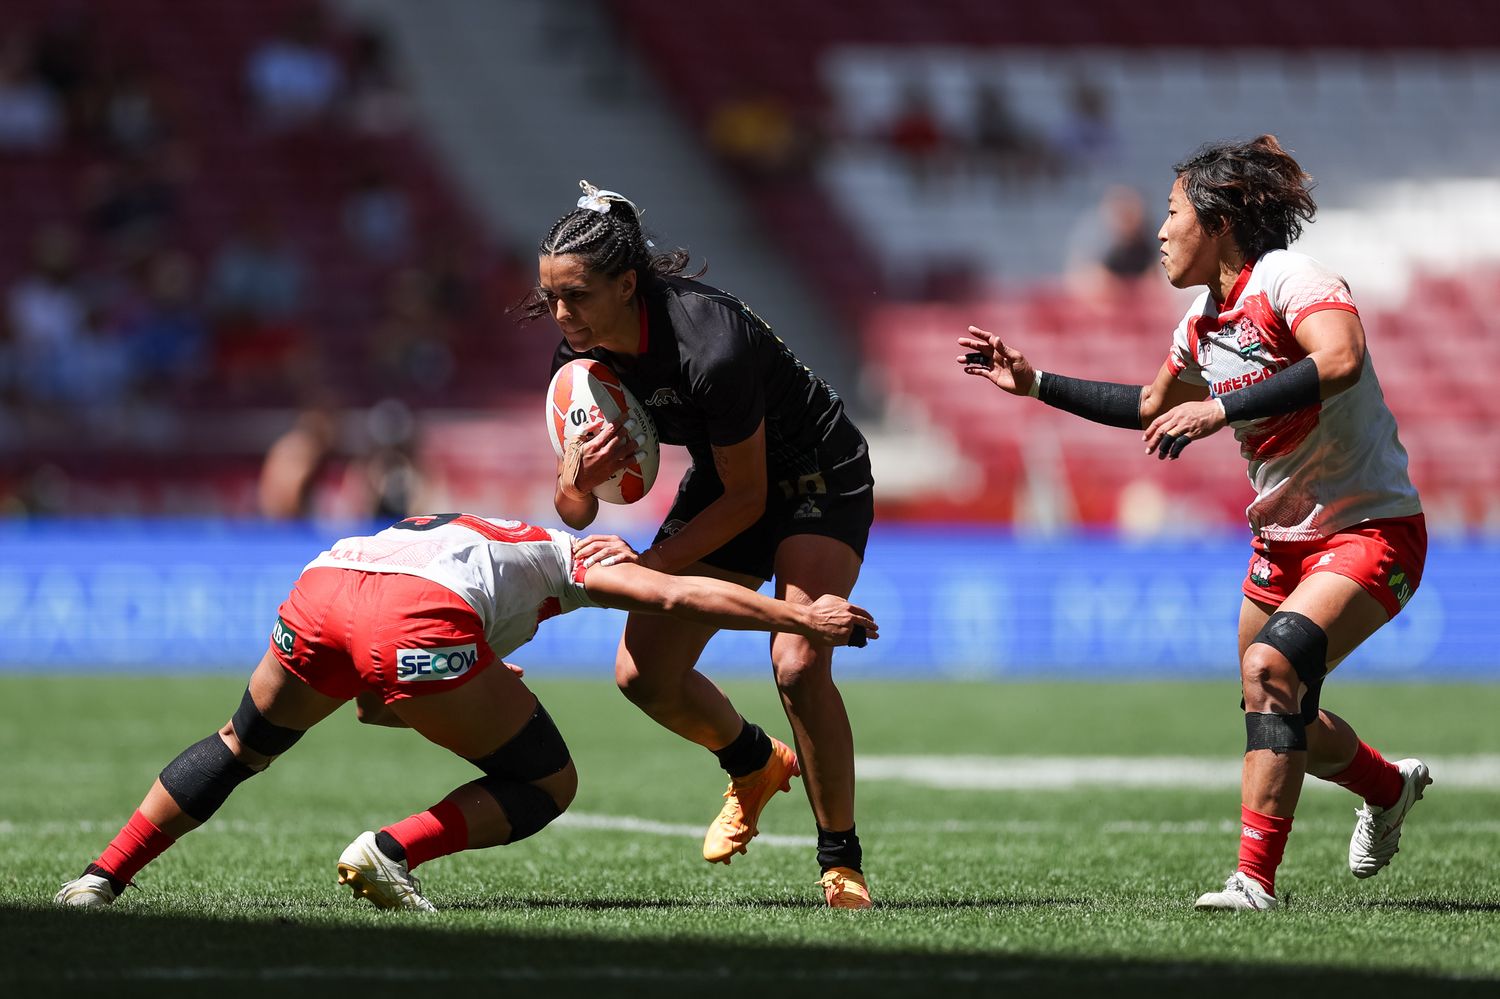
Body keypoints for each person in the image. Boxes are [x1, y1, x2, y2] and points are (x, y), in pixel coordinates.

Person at [957, 135, 1430, 912]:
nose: (1160, 230)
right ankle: (1388, 787)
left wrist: (1219, 408)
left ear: (1219, 218)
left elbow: (1341, 357)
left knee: (1272, 674)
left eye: (1173, 212)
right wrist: (1033, 381)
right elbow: (1150, 406)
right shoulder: (1200, 321)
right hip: (1283, 541)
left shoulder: (1289, 277)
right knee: (1276, 702)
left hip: (1368, 527)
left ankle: (1254, 883)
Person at [54, 513, 877, 911]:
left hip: (327, 583)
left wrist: (453, 671)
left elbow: (373, 700)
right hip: (416, 614)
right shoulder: (575, 555)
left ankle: (99, 877)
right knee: (546, 780)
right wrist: (803, 616)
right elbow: (672, 593)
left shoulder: (481, 529)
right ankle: (388, 849)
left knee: (243, 743)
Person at [521, 182, 878, 908]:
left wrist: (647, 569)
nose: (561, 316)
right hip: (729, 483)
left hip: (818, 476)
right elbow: (577, 509)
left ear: (627, 283)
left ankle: (840, 859)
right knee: (643, 674)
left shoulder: (707, 345)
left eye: (576, 296)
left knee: (799, 659)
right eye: (550, 298)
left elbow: (752, 498)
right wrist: (578, 483)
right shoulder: (581, 357)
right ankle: (752, 763)